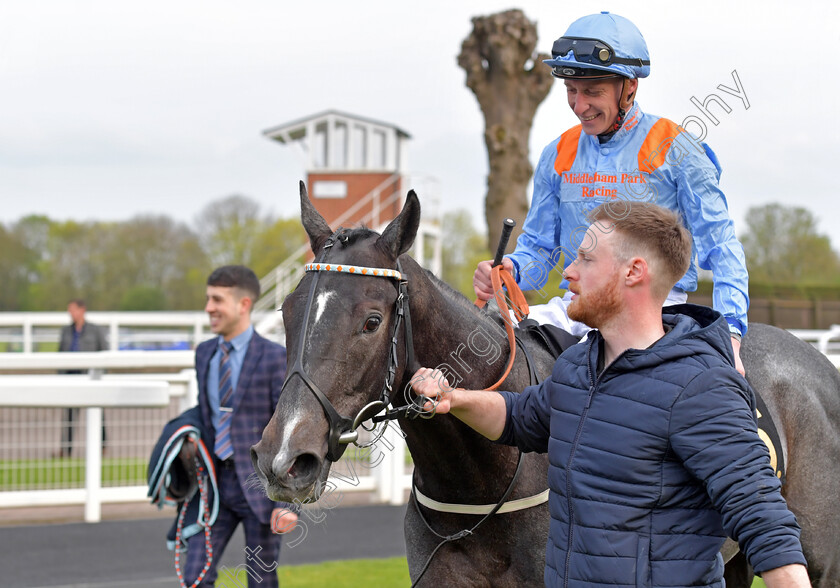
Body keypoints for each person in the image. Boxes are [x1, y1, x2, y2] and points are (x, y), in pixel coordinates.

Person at [418, 202, 808, 586]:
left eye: (586, 259)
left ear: (633, 271)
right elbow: (522, 417)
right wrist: (456, 399)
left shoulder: (702, 386)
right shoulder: (577, 365)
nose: (568, 273)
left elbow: (763, 519)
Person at [473, 11, 749, 375]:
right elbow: (540, 250)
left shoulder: (677, 149)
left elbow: (722, 245)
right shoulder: (557, 154)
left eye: (592, 92)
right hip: (578, 307)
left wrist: (730, 331)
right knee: (488, 350)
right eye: (571, 91)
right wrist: (513, 269)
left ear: (629, 86)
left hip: (653, 312)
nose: (579, 105)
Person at [183, 265, 297, 587]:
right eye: (208, 299)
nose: (209, 308)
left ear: (243, 304)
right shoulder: (204, 354)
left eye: (217, 300)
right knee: (194, 578)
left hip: (261, 487)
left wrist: (287, 503)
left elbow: (287, 431)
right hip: (214, 487)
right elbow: (206, 414)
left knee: (260, 580)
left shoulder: (276, 358)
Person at [57, 298, 108, 457]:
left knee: (97, 413)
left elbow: (104, 352)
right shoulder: (66, 331)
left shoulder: (95, 330)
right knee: (69, 416)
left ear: (82, 310)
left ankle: (102, 446)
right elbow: (60, 353)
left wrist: (101, 376)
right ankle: (66, 450)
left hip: (90, 377)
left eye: (73, 310)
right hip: (71, 377)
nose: (70, 314)